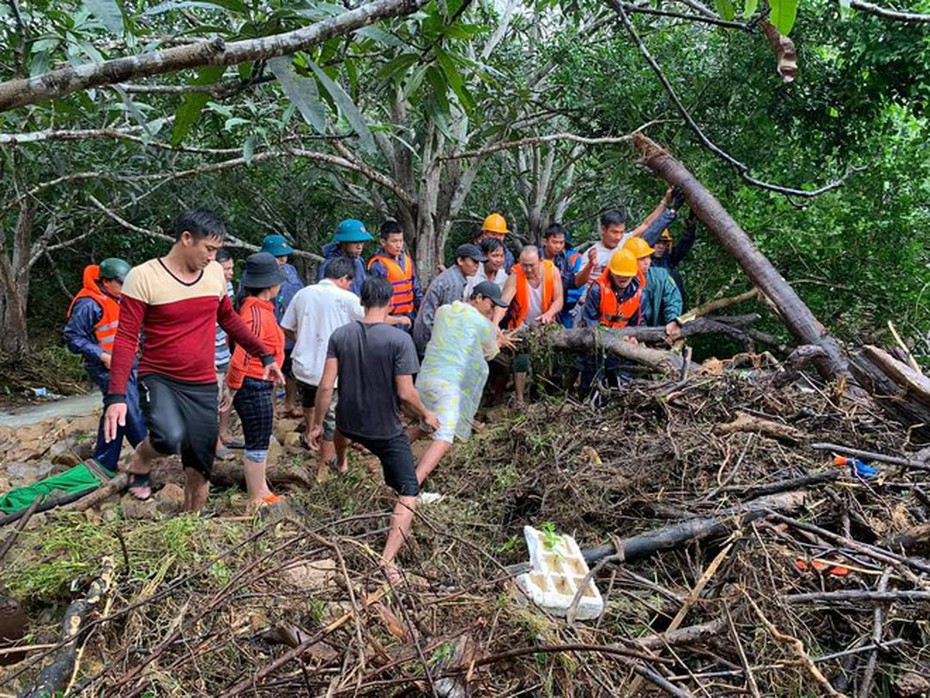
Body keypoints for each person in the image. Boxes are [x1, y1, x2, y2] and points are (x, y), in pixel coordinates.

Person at [103, 209, 285, 508]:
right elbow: (125, 338)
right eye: (209, 249)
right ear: (186, 239)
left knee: (201, 465)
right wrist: (116, 396)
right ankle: (141, 458)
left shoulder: (213, 274)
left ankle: (191, 523)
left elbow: (228, 318)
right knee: (167, 437)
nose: (213, 258)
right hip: (159, 376)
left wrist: (263, 354)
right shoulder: (144, 276)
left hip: (201, 380)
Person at [309, 277, 440, 580]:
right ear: (390, 303)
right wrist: (426, 415)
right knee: (409, 491)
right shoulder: (399, 340)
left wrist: (316, 424)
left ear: (362, 302)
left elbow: (327, 384)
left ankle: (341, 462)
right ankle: (387, 560)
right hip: (384, 431)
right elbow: (406, 395)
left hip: (349, 423)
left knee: (341, 426)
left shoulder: (341, 335)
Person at [410, 281, 513, 486]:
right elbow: (490, 352)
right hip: (448, 384)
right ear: (478, 298)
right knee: (445, 437)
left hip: (424, 379)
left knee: (425, 426)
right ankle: (413, 482)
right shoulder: (482, 323)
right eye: (491, 306)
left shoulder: (444, 311)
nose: (492, 312)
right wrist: (500, 342)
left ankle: (387, 457)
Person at [281, 257, 363, 479]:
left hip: (303, 365)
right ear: (345, 279)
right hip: (330, 370)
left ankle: (310, 437)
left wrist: (302, 339)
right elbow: (369, 322)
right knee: (331, 418)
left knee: (308, 401)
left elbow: (287, 327)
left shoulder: (303, 293)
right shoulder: (348, 298)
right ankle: (325, 466)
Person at [64, 258, 146, 473]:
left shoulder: (117, 297)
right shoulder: (89, 303)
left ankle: (104, 461)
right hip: (106, 366)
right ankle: (148, 459)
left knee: (117, 409)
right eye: (122, 284)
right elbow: (73, 338)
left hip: (126, 362)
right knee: (128, 409)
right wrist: (102, 356)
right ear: (107, 282)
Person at [225, 253, 287, 509]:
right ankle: (255, 497)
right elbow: (240, 355)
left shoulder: (257, 309)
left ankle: (261, 489)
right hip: (252, 383)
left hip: (258, 382)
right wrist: (232, 389)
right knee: (257, 441)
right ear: (270, 285)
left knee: (260, 437)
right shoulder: (255, 314)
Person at [572, 189, 678, 317]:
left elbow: (646, 224)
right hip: (590, 307)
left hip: (614, 308)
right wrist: (590, 264)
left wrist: (665, 201)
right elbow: (577, 282)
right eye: (614, 232)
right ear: (604, 229)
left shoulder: (623, 241)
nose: (618, 237)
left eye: (621, 232)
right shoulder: (593, 253)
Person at [497, 247, 563, 407]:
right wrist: (495, 324)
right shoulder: (515, 274)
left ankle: (541, 395)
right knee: (521, 359)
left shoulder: (552, 271)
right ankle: (519, 399)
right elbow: (503, 303)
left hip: (545, 324)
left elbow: (559, 299)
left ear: (540, 261)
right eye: (524, 265)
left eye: (531, 265)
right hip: (522, 324)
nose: (528, 269)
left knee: (545, 359)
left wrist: (549, 313)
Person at [580, 248, 644, 393]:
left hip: (622, 343)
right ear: (611, 272)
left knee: (619, 382)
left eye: (626, 275)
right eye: (619, 274)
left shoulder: (640, 295)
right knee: (590, 379)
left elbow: (638, 324)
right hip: (596, 342)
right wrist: (604, 339)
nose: (623, 278)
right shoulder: (597, 289)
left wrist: (633, 338)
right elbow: (589, 319)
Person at [259, 234, 305, 418]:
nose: (283, 259)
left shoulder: (291, 271)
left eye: (284, 255)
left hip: (290, 332)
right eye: (278, 256)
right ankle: (269, 412)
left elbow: (300, 294)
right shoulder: (257, 273)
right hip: (269, 332)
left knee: (291, 370)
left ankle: (290, 404)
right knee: (270, 372)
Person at [412, 243, 485, 355]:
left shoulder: (454, 276)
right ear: (460, 261)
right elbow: (448, 320)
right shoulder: (453, 283)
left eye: (478, 262)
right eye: (474, 261)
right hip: (429, 339)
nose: (477, 265)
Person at [624, 237, 683, 341]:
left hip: (658, 331)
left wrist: (673, 320)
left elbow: (673, 298)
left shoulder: (661, 275)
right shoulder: (621, 282)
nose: (647, 262)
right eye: (642, 259)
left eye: (648, 257)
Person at [367, 220, 422, 329]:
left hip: (410, 315)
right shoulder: (378, 265)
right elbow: (376, 299)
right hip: (390, 319)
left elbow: (415, 287)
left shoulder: (407, 260)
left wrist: (421, 309)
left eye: (401, 241)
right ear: (383, 242)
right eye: (394, 241)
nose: (399, 245)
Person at [214, 248, 240, 459]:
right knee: (212, 398)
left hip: (224, 350)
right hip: (209, 353)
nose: (231, 272)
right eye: (227, 269)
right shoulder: (205, 288)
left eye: (232, 268)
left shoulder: (228, 287)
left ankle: (224, 433)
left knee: (228, 393)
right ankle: (214, 443)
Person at [539, 223, 583, 327]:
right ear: (545, 241)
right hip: (538, 306)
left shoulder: (564, 260)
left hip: (561, 309)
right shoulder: (536, 257)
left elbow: (571, 283)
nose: (558, 246)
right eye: (554, 242)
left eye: (561, 243)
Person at [652, 211, 697, 308]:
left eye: (664, 243)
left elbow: (684, 245)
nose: (661, 246)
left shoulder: (668, 258)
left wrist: (690, 226)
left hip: (670, 307)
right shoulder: (644, 262)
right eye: (657, 243)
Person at [317, 219, 373, 297]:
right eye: (354, 242)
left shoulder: (358, 261)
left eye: (361, 242)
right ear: (343, 243)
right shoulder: (330, 265)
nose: (359, 247)